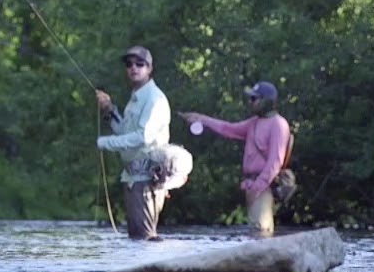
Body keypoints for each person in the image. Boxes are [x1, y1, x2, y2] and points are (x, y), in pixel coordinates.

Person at [178, 81, 291, 237]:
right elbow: (228, 128)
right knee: (254, 231)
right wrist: (201, 119)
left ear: (266, 101)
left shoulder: (279, 124)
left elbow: (275, 163)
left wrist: (257, 188)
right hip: (252, 185)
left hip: (263, 188)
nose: (250, 102)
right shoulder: (254, 123)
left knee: (260, 231)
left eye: (254, 98)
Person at [95, 45, 171, 240]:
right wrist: (109, 110)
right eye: (129, 64)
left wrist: (106, 143)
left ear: (150, 68)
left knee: (144, 239)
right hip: (132, 179)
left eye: (140, 64)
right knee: (137, 238)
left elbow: (142, 137)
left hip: (146, 179)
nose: (134, 68)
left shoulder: (154, 99)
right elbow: (125, 131)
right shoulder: (136, 99)